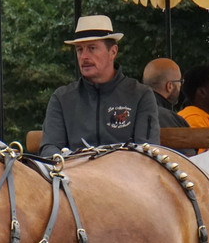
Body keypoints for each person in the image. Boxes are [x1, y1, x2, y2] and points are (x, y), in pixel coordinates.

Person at [40, 15, 160, 157]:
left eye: (92, 48)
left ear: (113, 52)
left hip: (126, 176)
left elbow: (147, 150)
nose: (84, 56)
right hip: (74, 176)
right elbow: (49, 148)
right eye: (79, 50)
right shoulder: (62, 98)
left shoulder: (139, 94)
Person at [141, 57, 189, 129]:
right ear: (169, 86)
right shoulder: (170, 120)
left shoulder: (126, 113)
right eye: (180, 81)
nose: (180, 85)